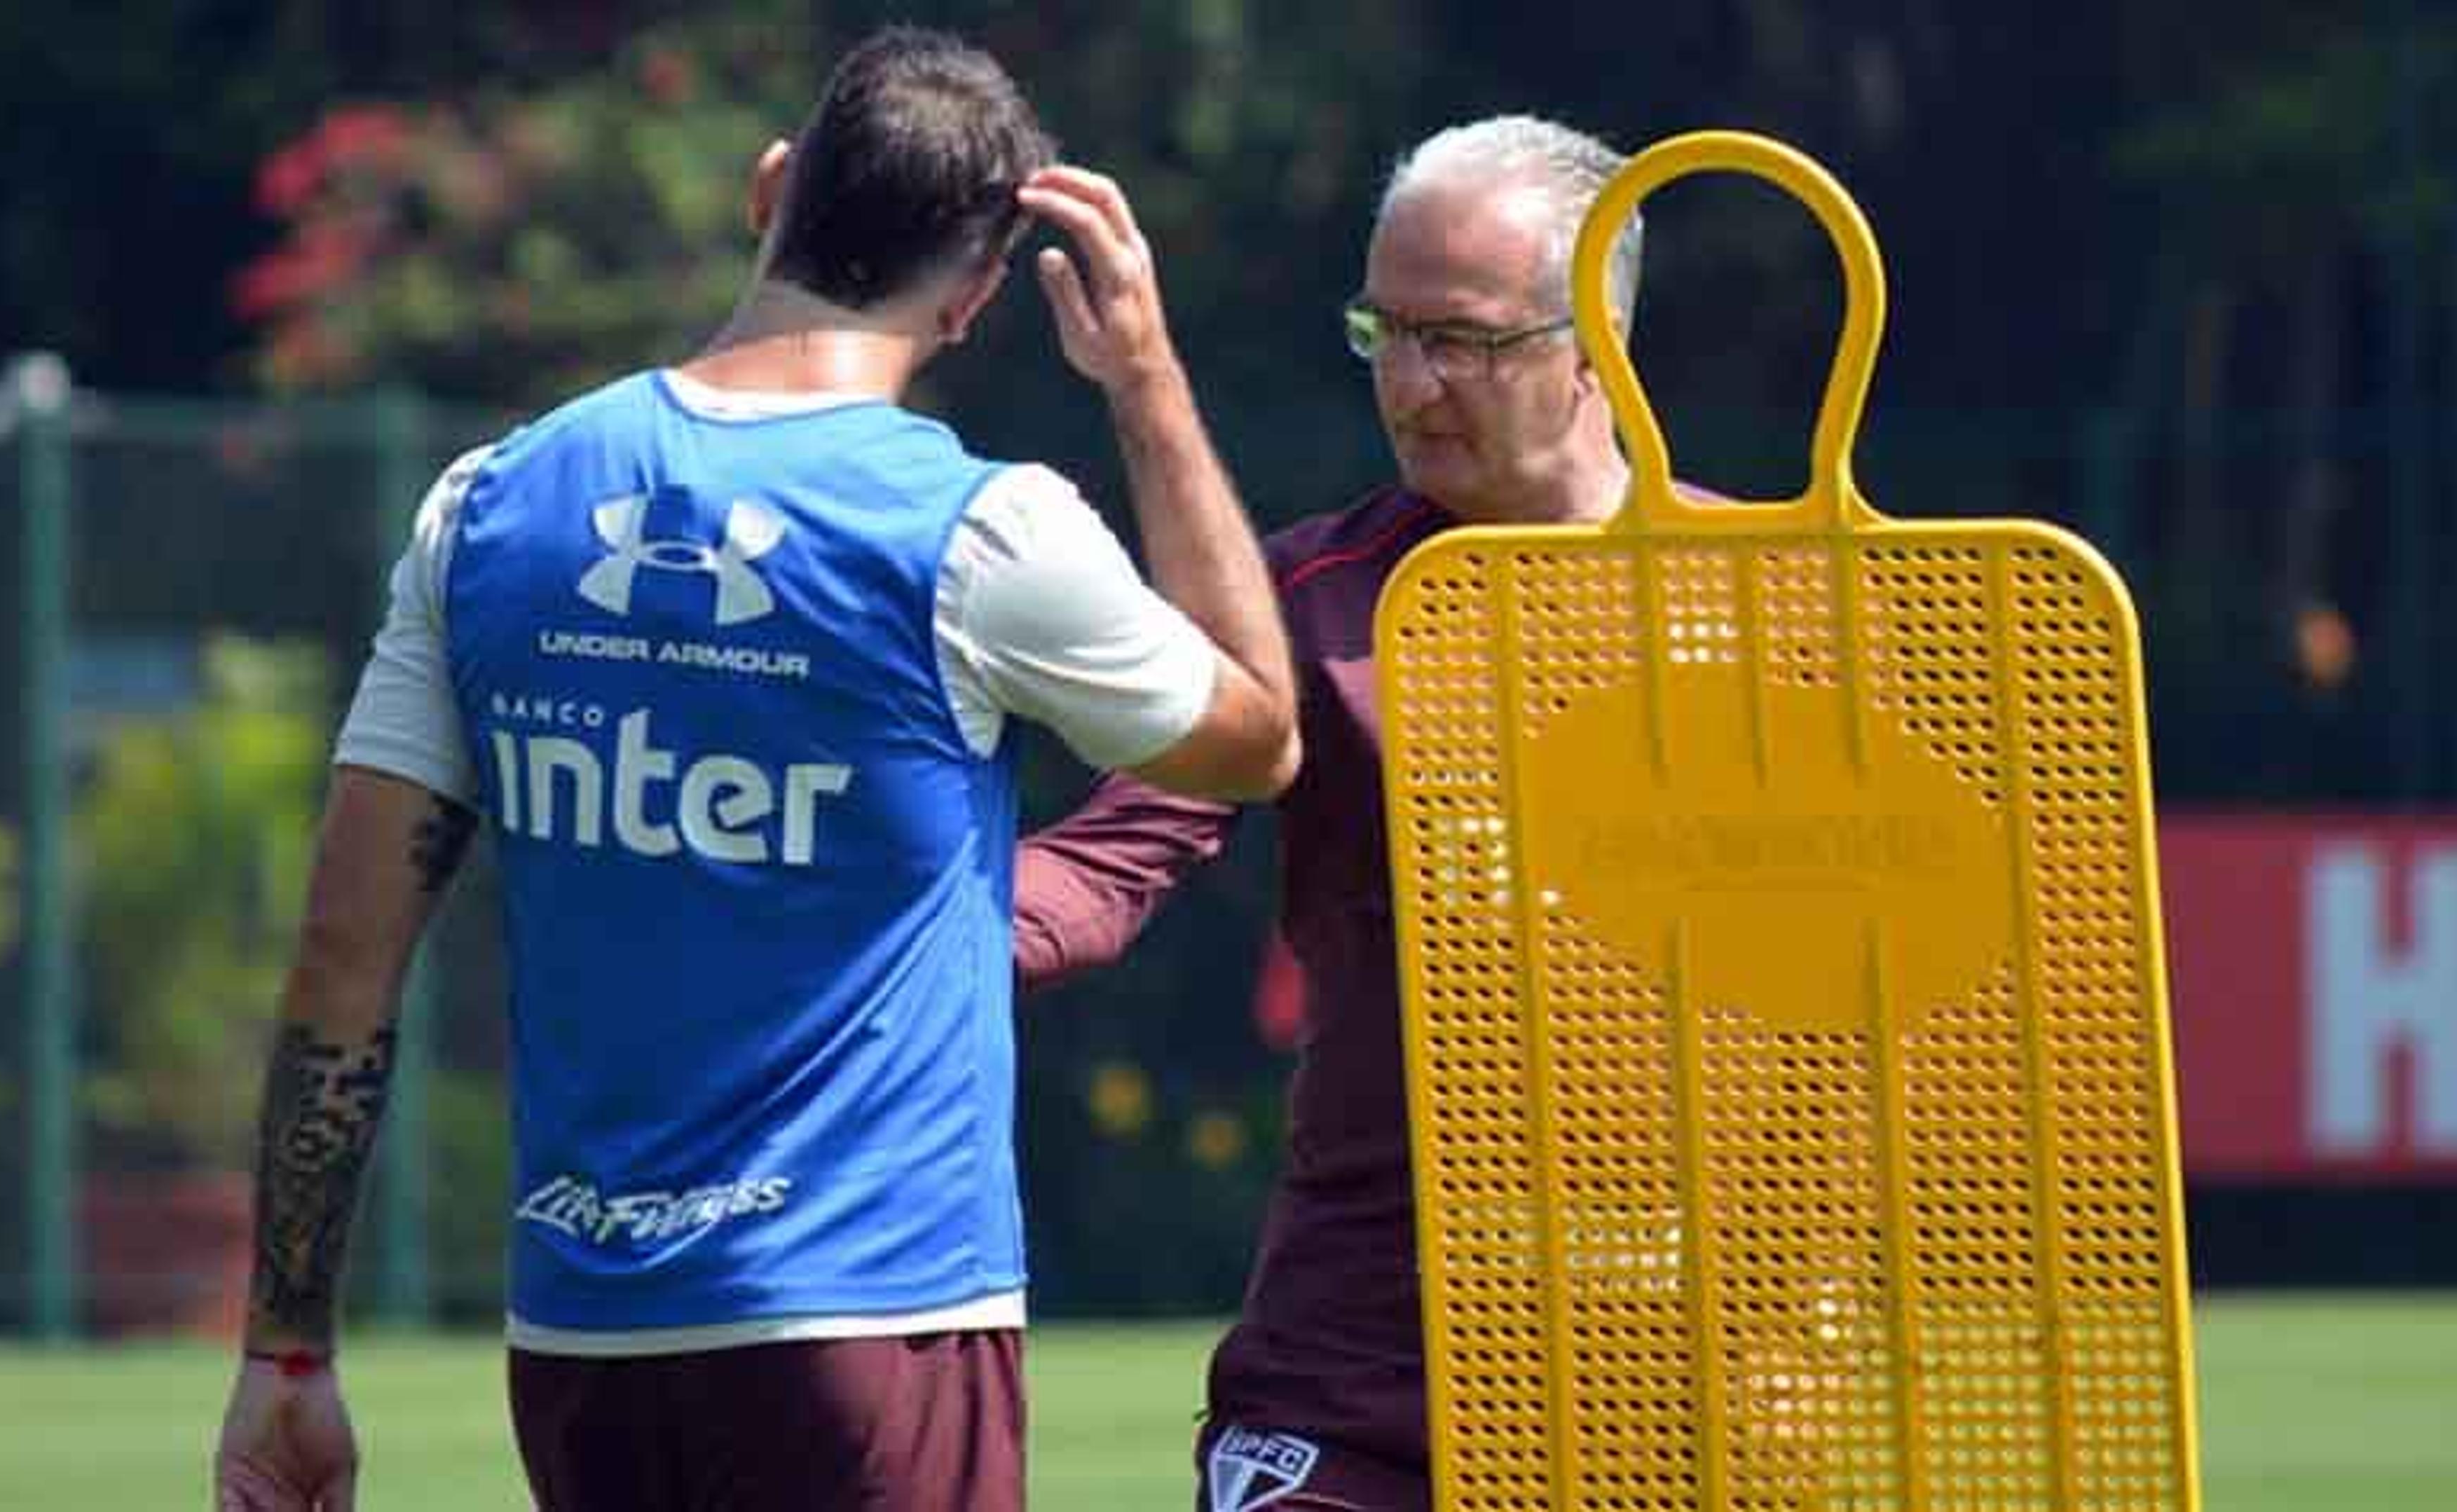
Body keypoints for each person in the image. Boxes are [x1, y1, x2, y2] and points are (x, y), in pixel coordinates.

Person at [211, 25, 1299, 1512]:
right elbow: (1259, 733)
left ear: (771, 188)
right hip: (875, 1323)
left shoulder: (485, 507)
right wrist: (1148, 385)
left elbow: (343, 958)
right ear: (982, 290)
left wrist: (286, 1349)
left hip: (585, 1337)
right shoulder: (977, 529)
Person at [1014, 114, 1644, 1512]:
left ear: (1598, 330)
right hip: (1361, 1375)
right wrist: (860, 935)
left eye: (1465, 340)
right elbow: (1101, 871)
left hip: (1686, 1366)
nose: (1414, 384)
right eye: (1387, 330)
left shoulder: (1780, 606)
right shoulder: (1307, 602)